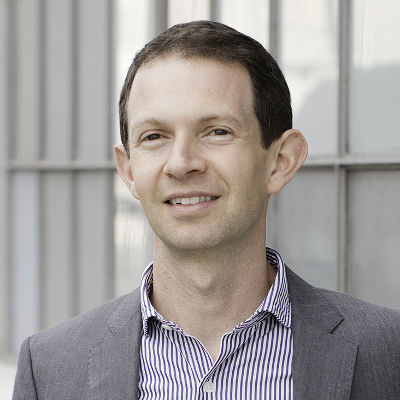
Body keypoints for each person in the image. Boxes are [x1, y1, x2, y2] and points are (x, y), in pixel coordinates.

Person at [13, 20, 400, 400]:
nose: (181, 163)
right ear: (129, 171)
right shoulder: (48, 370)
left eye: (217, 131)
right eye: (154, 137)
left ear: (281, 160)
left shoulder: (389, 353)